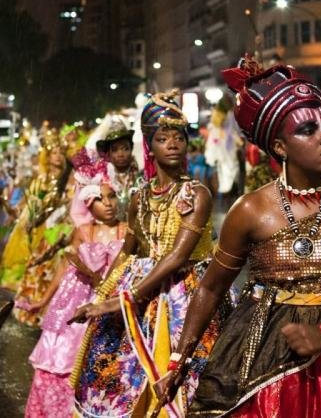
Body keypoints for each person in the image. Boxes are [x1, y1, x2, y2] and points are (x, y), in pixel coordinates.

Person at [154, 58, 321, 417]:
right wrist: (178, 361)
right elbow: (211, 288)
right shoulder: (249, 210)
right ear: (279, 147)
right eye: (307, 130)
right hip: (262, 355)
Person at [69, 91, 226, 417]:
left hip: (187, 296)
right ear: (149, 147)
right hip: (141, 293)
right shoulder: (140, 197)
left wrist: (123, 300)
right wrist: (103, 290)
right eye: (162, 138)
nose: (172, 144)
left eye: (179, 137)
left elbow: (177, 257)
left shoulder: (197, 194)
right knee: (121, 378)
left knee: (186, 384)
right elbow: (130, 248)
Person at [24, 153, 126, 417]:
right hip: (75, 300)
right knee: (59, 359)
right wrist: (43, 301)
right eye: (100, 199)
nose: (108, 204)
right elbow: (64, 268)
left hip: (107, 302)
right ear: (88, 205)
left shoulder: (126, 231)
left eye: (112, 196)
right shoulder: (83, 232)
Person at [12, 129, 75, 327]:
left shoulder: (69, 178)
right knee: (38, 268)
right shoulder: (42, 179)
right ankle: (30, 310)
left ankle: (48, 314)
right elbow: (31, 204)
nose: (57, 156)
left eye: (59, 152)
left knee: (55, 272)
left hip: (61, 230)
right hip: (43, 230)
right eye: (53, 153)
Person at [96, 118, 140, 222]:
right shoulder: (100, 180)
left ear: (131, 149)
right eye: (115, 150)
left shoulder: (141, 177)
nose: (120, 154)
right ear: (108, 153)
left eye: (125, 148)